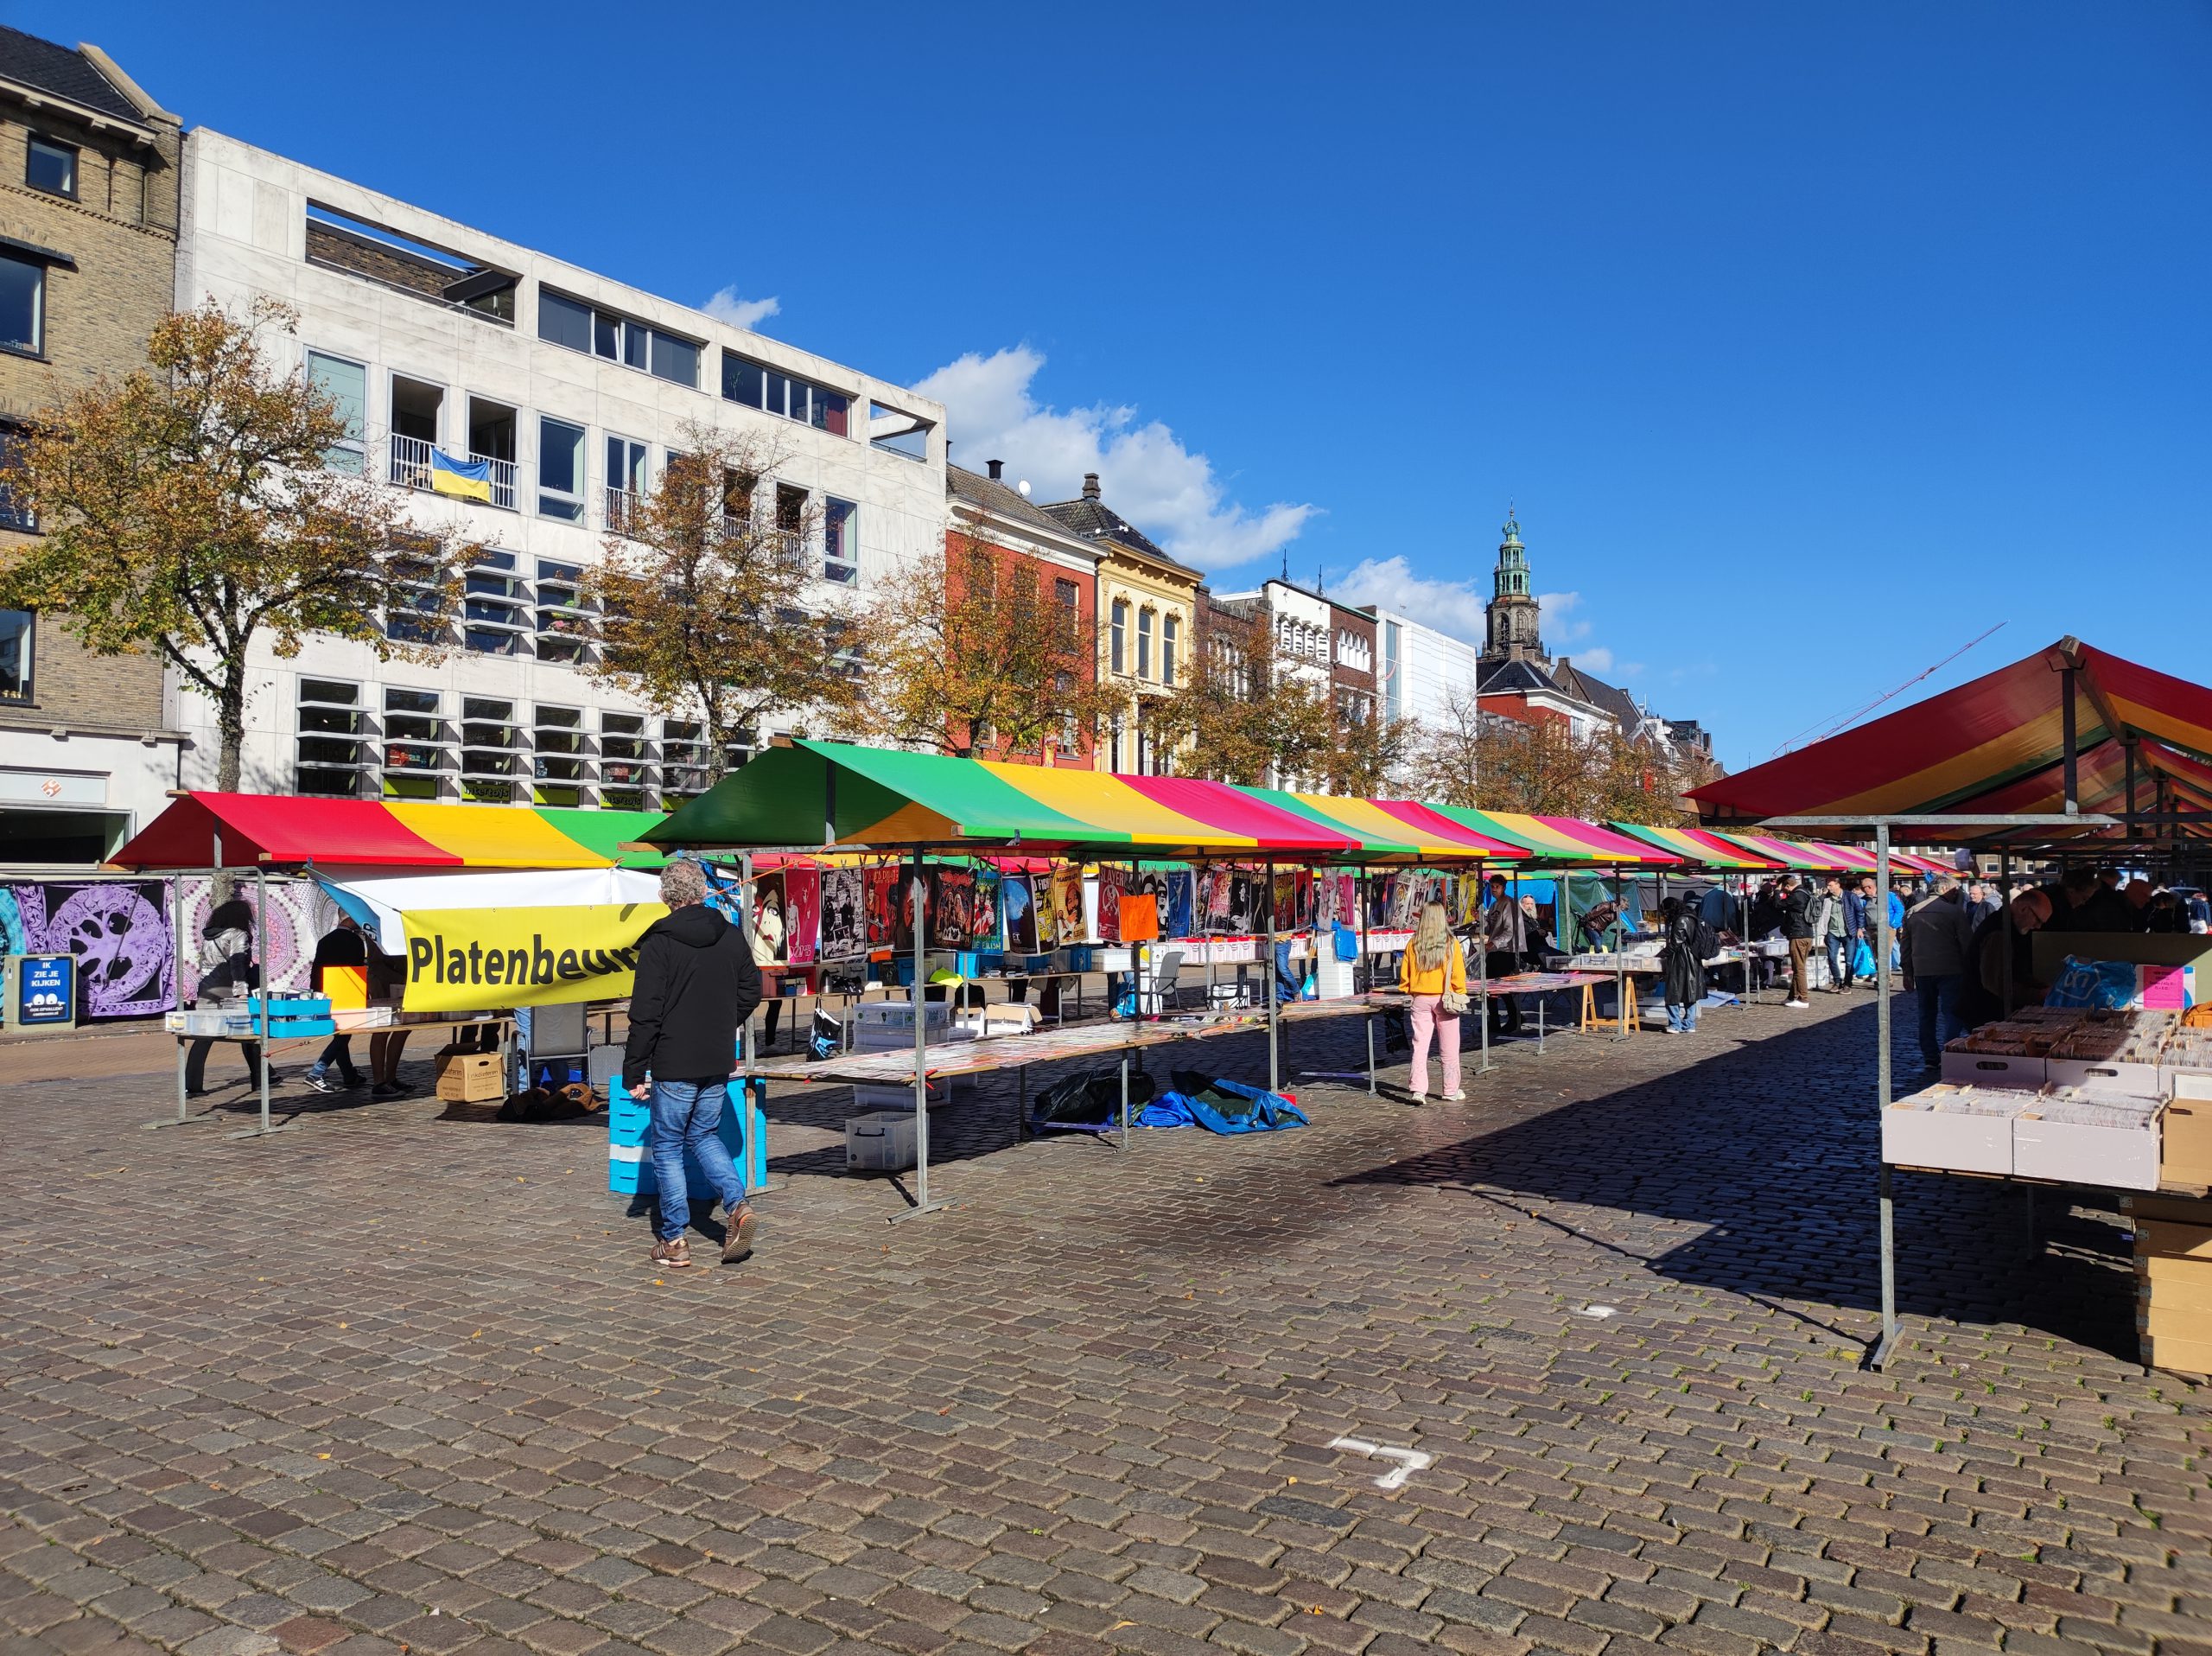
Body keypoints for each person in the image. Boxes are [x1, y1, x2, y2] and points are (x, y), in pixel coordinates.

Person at [624, 859, 764, 1270]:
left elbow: (644, 1016)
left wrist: (634, 1069)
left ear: (665, 897)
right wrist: (722, 1024)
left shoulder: (659, 944)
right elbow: (751, 991)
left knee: (667, 1146)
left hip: (675, 1060)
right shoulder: (731, 936)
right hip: (716, 1056)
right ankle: (737, 1207)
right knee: (703, 1136)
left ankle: (674, 1240)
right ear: (703, 891)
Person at [183, 898, 270, 1096]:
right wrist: (241, 991)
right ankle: (260, 1078)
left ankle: (192, 1085)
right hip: (229, 989)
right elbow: (238, 963)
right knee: (248, 1033)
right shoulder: (238, 935)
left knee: (204, 1038)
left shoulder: (209, 937)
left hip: (207, 987)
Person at [1902, 877, 1977, 1071]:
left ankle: (1930, 1056)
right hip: (1950, 968)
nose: (1956, 894)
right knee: (1952, 1012)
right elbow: (1967, 943)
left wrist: (1907, 973)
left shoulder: (1912, 912)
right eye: (1954, 890)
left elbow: (1906, 947)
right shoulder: (1954, 912)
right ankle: (1949, 1049)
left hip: (1922, 970)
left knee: (1926, 1014)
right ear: (1944, 889)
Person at [1397, 901, 1466, 1102]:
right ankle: (1450, 1090)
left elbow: (1405, 976)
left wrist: (1409, 989)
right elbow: (1458, 975)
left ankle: (1418, 1090)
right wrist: (1459, 992)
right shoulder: (1450, 943)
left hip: (1420, 999)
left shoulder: (1414, 942)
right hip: (1444, 999)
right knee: (1449, 1048)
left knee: (1420, 1046)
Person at [1960, 889, 2050, 1029]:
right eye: (2038, 920)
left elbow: (2017, 971)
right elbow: (1996, 983)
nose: (2037, 926)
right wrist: (2037, 995)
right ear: (2024, 909)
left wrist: (2041, 986)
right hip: (1985, 1014)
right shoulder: (1999, 932)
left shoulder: (2010, 927)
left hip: (1991, 1012)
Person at [304, 914, 368, 1092]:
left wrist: (316, 992)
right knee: (344, 1034)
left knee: (340, 1034)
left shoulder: (325, 940)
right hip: (346, 993)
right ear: (349, 918)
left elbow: (316, 968)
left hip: (324, 992)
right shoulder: (355, 941)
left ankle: (349, 1074)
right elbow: (357, 971)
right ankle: (317, 1071)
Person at [1658, 896, 1718, 1034]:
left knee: (1673, 993)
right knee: (1691, 994)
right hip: (1693, 960)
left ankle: (1675, 1024)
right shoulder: (1692, 917)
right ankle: (1689, 1024)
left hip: (1681, 961)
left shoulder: (1681, 920)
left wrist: (1660, 954)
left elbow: (1676, 944)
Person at [1481, 873, 1526, 1034]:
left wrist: (1495, 942)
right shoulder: (1494, 905)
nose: (1494, 890)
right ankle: (1494, 1020)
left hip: (1507, 951)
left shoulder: (1509, 904)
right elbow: (1489, 929)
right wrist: (1480, 921)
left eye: (1497, 887)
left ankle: (1514, 1017)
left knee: (1502, 987)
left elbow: (1510, 931)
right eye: (1492, 887)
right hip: (1494, 950)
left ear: (1503, 888)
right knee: (1489, 987)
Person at [750, 892, 785, 1052]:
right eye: (756, 910)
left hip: (771, 962)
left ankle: (769, 1042)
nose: (764, 920)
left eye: (773, 911)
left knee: (776, 1000)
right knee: (750, 1002)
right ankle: (753, 1042)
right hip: (751, 962)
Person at [1779, 875, 1815, 1008]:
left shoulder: (1796, 896)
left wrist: (1777, 891)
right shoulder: (1806, 892)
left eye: (1784, 888)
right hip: (1807, 934)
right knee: (1797, 966)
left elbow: (1778, 905)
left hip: (1798, 935)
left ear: (1787, 885)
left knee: (1799, 968)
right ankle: (1792, 996)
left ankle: (1803, 999)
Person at [1818, 876, 1849, 994]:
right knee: (1831, 957)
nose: (1828, 887)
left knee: (1849, 960)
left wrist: (1859, 928)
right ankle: (1837, 982)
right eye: (1827, 885)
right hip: (1832, 932)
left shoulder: (1848, 897)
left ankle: (1847, 983)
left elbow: (1857, 912)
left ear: (1837, 884)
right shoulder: (1827, 899)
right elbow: (1823, 913)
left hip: (1847, 932)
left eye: (1830, 885)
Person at [1840, 877, 1870, 991]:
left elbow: (1860, 912)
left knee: (1855, 955)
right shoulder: (1830, 899)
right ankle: (1844, 980)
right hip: (1849, 930)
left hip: (1854, 930)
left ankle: (1868, 974)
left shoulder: (1853, 897)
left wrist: (1859, 928)